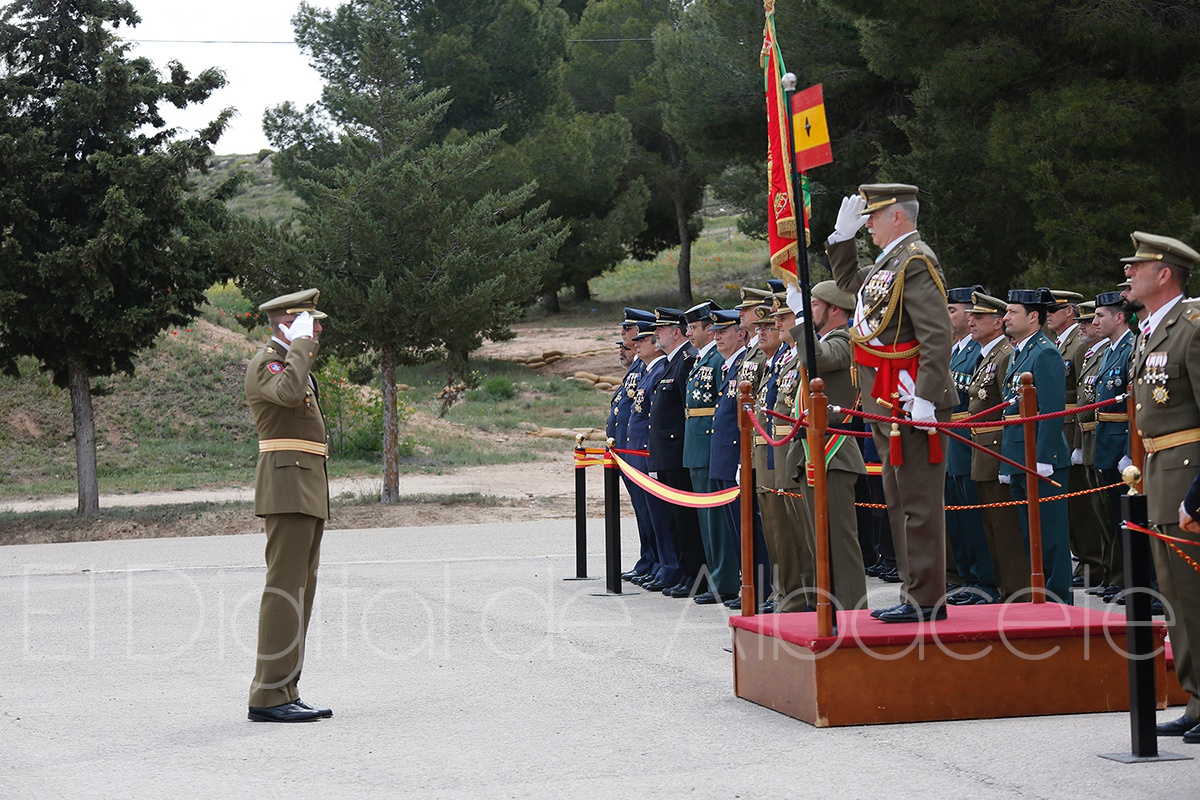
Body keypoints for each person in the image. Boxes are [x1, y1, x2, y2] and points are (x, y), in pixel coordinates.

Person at [827, 183, 956, 623]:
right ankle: (913, 591)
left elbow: (936, 335)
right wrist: (841, 240)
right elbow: (849, 286)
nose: (867, 224)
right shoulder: (890, 261)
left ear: (897, 216)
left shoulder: (916, 261)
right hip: (888, 399)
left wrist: (927, 398)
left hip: (909, 396)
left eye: (873, 217)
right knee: (900, 502)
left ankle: (926, 599)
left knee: (918, 504)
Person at [1119, 230, 1200, 743]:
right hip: (1160, 471)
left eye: (1137, 265)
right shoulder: (1153, 330)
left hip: (1188, 476)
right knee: (1176, 597)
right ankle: (1196, 697)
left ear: (1164, 273)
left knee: (1194, 593)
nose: (1128, 273)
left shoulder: (1192, 328)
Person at [245, 289, 333, 723]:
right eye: (309, 323)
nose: (317, 331)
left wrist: (300, 348)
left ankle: (286, 689)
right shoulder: (269, 363)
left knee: (301, 592)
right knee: (283, 592)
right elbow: (288, 394)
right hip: (286, 487)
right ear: (288, 324)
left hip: (305, 486)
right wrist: (299, 345)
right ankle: (267, 695)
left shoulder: (291, 361)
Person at [787, 280, 870, 611]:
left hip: (834, 450)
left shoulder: (845, 340)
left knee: (838, 539)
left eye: (815, 305)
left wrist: (799, 318)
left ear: (835, 309)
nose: (810, 311)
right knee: (817, 540)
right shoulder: (825, 340)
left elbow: (817, 361)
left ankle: (850, 609)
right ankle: (826, 608)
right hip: (812, 448)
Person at [999, 288, 1072, 604]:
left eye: (1012, 312)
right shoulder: (1019, 352)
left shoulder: (1045, 353)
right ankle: (1041, 597)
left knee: (1050, 536)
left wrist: (1044, 458)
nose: (1005, 317)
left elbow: (1052, 410)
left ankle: (1058, 600)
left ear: (1032, 317)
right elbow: (1011, 411)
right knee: (1031, 534)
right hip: (1019, 453)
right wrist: (1007, 462)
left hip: (1041, 457)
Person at [963, 292, 1026, 602]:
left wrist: (1006, 459)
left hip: (997, 447)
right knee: (991, 526)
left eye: (979, 317)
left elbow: (1008, 410)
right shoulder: (988, 355)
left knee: (1005, 527)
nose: (971, 322)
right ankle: (1004, 588)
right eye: (971, 317)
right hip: (981, 446)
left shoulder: (1004, 355)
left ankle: (1017, 590)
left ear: (997, 322)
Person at [708, 309, 772, 610]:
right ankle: (750, 586)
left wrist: (741, 458)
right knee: (738, 530)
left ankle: (760, 588)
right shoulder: (738, 362)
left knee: (751, 529)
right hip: (727, 454)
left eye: (723, 331)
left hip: (741, 452)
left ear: (741, 334)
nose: (717, 337)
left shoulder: (752, 359)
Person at [681, 301, 740, 604]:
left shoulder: (718, 360)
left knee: (717, 520)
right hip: (697, 444)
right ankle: (715, 577)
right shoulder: (702, 359)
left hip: (710, 443)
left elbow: (722, 407)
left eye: (694, 327)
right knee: (706, 519)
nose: (689, 333)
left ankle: (724, 580)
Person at [647, 307, 708, 597]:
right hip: (667, 454)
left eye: (660, 330)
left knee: (686, 520)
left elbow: (688, 412)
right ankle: (685, 572)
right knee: (674, 519)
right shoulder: (671, 363)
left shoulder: (686, 361)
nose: (655, 335)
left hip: (679, 452)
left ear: (676, 332)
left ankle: (696, 575)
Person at [944, 285, 998, 605]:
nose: (946, 315)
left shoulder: (980, 352)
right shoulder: (956, 351)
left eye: (952, 310)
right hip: (952, 439)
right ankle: (968, 578)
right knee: (959, 517)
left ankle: (984, 582)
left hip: (969, 438)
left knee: (975, 517)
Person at [1090, 291, 1135, 603]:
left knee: (1127, 518)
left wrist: (1130, 450)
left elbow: (1133, 403)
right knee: (1113, 518)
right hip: (1106, 440)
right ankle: (1122, 578)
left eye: (1100, 316)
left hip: (1121, 443)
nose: (1095, 322)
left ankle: (1134, 579)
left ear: (1119, 317)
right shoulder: (1109, 351)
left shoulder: (1130, 348)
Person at [615, 309, 662, 585]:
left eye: (629, 329)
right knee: (644, 512)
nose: (625, 335)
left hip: (641, 450)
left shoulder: (648, 367)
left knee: (652, 512)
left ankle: (657, 562)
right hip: (629, 450)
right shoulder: (639, 367)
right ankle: (650, 559)